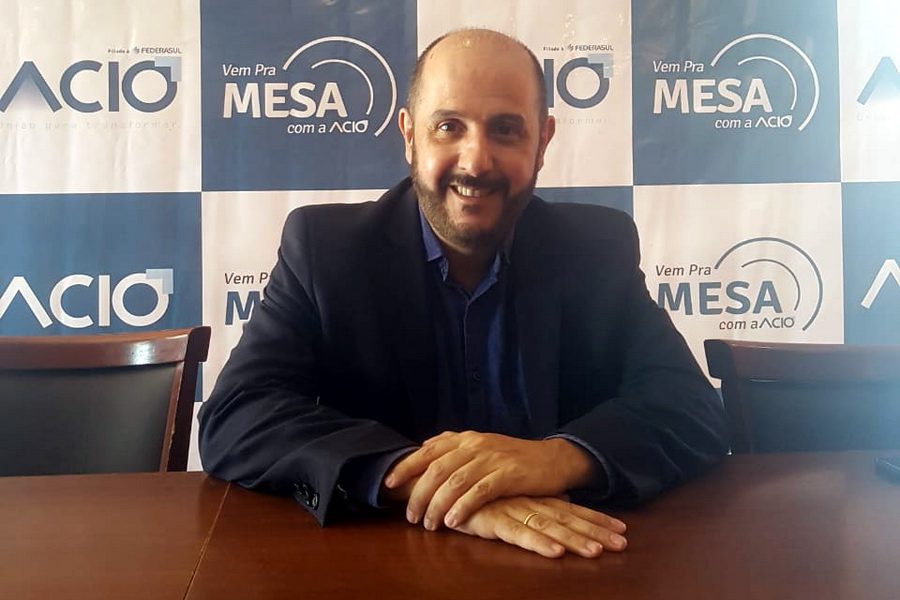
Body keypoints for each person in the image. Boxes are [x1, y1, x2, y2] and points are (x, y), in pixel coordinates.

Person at [198, 28, 729, 559]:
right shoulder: (326, 250)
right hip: (380, 566)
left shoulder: (596, 249)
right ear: (410, 135)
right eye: (449, 127)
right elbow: (238, 415)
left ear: (543, 142)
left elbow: (690, 409)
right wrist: (435, 487)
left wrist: (553, 459)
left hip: (568, 566)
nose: (476, 162)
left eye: (505, 129)